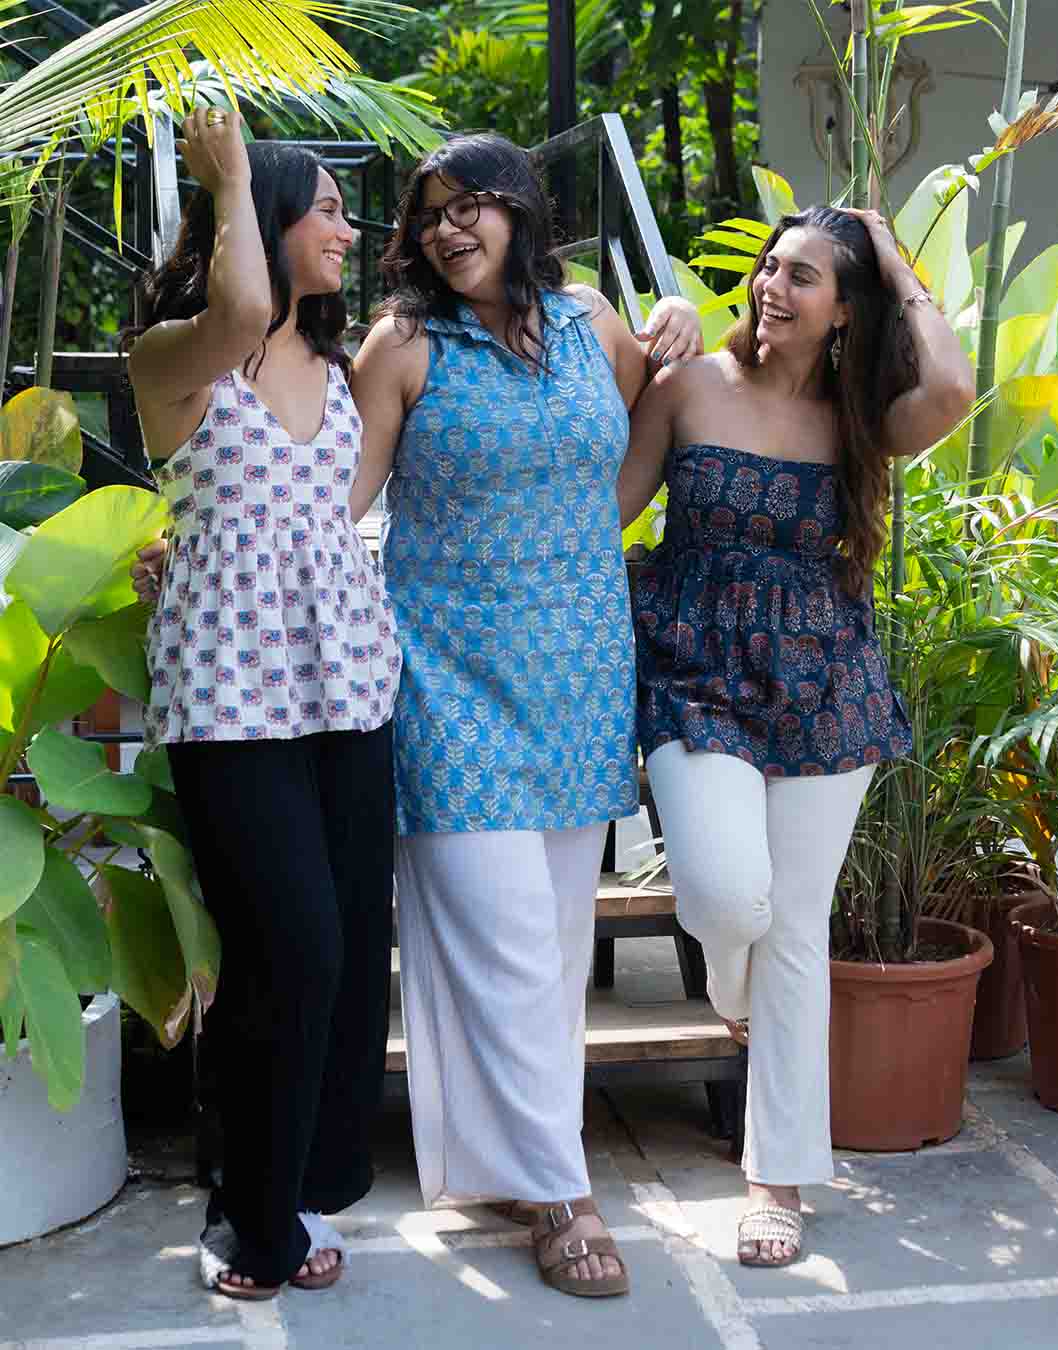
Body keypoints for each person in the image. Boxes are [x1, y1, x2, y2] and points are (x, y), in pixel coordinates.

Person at [347, 131, 702, 1298]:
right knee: (500, 942)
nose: (448, 230)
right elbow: (336, 503)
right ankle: (565, 1196)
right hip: (446, 679)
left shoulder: (594, 322)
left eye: (470, 206)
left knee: (550, 950)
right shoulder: (402, 345)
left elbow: (642, 441)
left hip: (578, 674)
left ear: (521, 209)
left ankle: (516, 1163)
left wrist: (685, 326)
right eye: (431, 214)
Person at [617, 205, 975, 1268]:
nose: (772, 286)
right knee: (728, 899)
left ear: (846, 310)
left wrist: (894, 259)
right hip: (693, 669)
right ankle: (728, 989)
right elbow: (604, 512)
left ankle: (775, 1177)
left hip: (827, 682)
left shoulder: (859, 418)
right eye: (770, 267)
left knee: (796, 928)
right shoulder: (689, 388)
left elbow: (953, 391)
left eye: (802, 276)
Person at [125, 108, 400, 1299]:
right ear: (267, 214)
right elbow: (240, 310)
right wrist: (230, 173)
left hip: (347, 685)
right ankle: (250, 1216)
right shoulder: (175, 354)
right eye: (326, 208)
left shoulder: (338, 371)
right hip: (230, 697)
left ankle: (287, 1190)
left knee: (346, 956)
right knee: (292, 945)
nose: (349, 229)